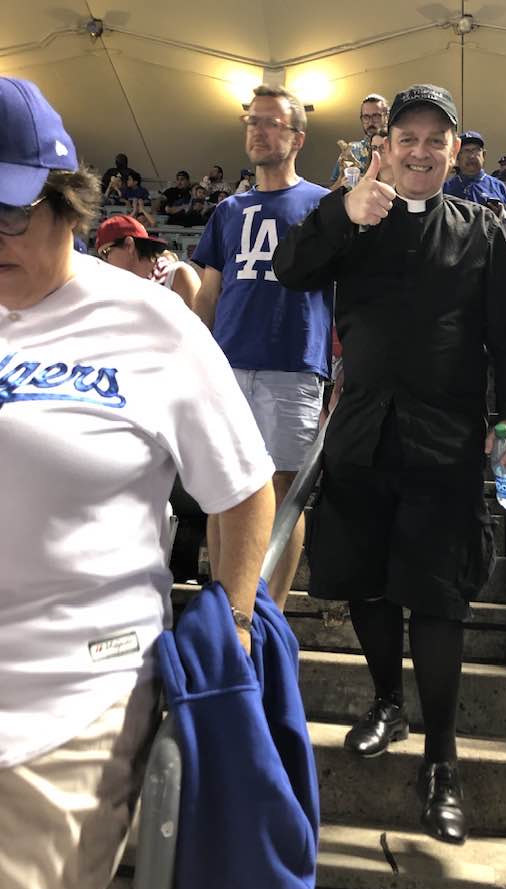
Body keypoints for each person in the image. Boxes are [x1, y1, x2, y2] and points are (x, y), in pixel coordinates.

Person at [0, 76, 276, 889]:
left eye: (8, 216)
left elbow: (242, 488)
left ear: (65, 204)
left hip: (66, 698)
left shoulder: (148, 324)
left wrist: (231, 617)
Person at [273, 83, 506, 846]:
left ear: (456, 154)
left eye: (436, 141)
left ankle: (444, 762)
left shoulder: (482, 232)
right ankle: (386, 700)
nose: (421, 152)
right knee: (365, 583)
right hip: (360, 436)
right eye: (407, 139)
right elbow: (292, 269)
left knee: (440, 601)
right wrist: (338, 210)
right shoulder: (357, 216)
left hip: (447, 442)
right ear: (385, 149)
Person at [193, 82, 333, 610]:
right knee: (222, 487)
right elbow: (210, 291)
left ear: (297, 137)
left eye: (271, 121)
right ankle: (224, 604)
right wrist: (193, 356)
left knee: (281, 494)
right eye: (252, 120)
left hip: (293, 364)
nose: (257, 128)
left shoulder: (324, 205)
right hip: (227, 364)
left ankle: (265, 611)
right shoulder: (228, 209)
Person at [95, 214, 201, 310]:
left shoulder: (176, 276)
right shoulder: (116, 289)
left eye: (106, 253)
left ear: (129, 245)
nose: (105, 262)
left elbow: (197, 329)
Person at [443, 130, 506, 215]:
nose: (471, 156)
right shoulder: (446, 189)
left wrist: (499, 216)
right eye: (466, 151)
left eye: (475, 150)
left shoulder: (499, 188)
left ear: (484, 155)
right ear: (457, 157)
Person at [329, 93, 389, 184]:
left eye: (376, 116)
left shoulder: (397, 149)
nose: (370, 122)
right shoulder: (350, 150)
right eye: (366, 117)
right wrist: (340, 183)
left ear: (387, 117)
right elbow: (330, 190)